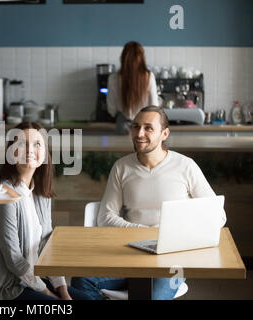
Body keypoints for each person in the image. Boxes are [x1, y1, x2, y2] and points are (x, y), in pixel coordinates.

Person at [71, 106, 226, 300]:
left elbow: (218, 215)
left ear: (164, 133)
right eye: (136, 127)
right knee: (82, 280)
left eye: (148, 128)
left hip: (173, 264)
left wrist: (178, 234)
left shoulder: (186, 166)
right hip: (129, 256)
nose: (139, 133)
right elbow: (105, 216)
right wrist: (142, 231)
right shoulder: (121, 167)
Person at [0, 122, 89, 300]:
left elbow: (47, 247)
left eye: (37, 144)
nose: (29, 150)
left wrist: (63, 291)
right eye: (21, 143)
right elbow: (14, 259)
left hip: (35, 281)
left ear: (44, 154)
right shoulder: (3, 194)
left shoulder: (41, 193)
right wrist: (49, 293)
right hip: (7, 290)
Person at [107, 41, 159, 134]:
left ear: (123, 58)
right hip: (145, 126)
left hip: (122, 126)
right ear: (142, 58)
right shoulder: (149, 77)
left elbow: (111, 109)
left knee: (119, 148)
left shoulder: (113, 78)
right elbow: (154, 105)